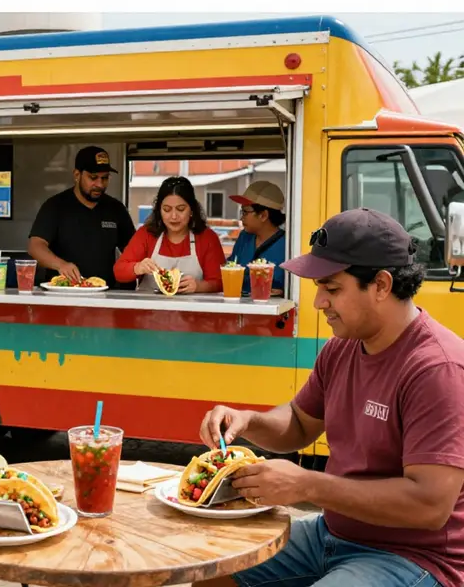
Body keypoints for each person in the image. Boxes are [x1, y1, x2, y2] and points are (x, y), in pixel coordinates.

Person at [199, 208, 464, 587]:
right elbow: (299, 423)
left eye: (332, 288)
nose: (318, 302)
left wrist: (306, 485)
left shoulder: (438, 368)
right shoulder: (342, 347)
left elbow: (430, 505)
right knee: (213, 571)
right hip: (332, 535)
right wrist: (247, 421)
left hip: (415, 557)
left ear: (382, 285)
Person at [28, 146, 136, 287]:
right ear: (77, 175)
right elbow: (35, 246)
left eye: (104, 178)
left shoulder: (116, 209)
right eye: (93, 178)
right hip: (62, 293)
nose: (99, 184)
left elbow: (133, 251)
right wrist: (62, 265)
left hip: (105, 294)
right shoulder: (55, 206)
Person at [114, 176, 225, 293]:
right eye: (167, 210)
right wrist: (137, 267)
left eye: (180, 209)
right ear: (159, 211)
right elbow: (119, 272)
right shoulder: (146, 234)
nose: (173, 216)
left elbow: (220, 282)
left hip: (192, 309)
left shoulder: (207, 237)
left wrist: (199, 286)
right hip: (149, 308)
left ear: (192, 210)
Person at [228, 181, 287, 296]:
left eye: (245, 212)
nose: (241, 218)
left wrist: (283, 292)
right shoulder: (244, 238)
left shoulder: (287, 244)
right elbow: (231, 269)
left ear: (263, 215)